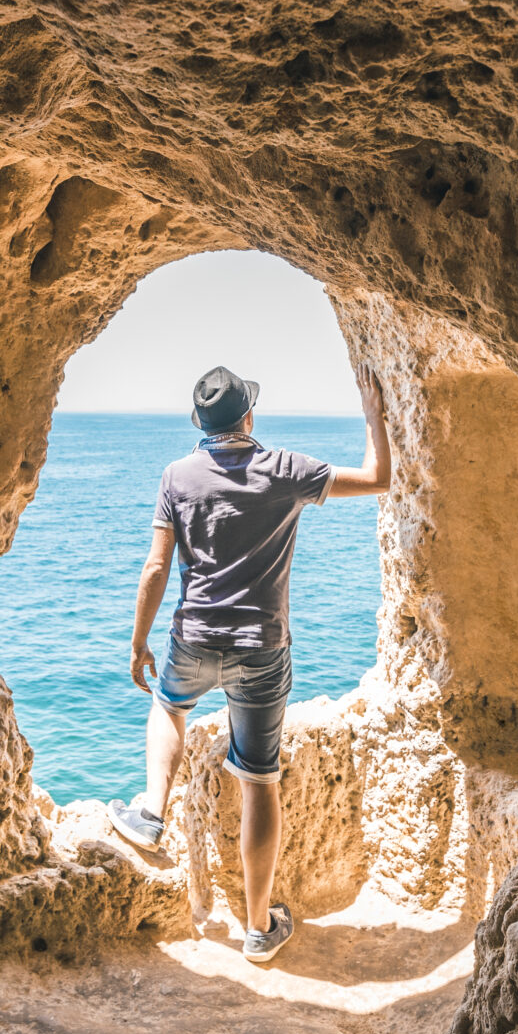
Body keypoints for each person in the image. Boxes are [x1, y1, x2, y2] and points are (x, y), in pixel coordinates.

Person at [107, 362, 393, 963]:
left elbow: (157, 568)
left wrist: (139, 643)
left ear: (197, 421)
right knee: (258, 778)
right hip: (262, 647)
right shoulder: (285, 470)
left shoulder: (176, 476)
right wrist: (375, 410)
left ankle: (152, 814)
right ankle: (260, 929)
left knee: (169, 705)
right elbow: (377, 478)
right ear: (249, 417)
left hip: (194, 636)